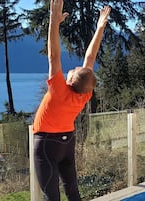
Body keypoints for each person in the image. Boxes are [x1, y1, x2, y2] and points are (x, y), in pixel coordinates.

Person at [32, 0, 111, 200]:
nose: (74, 67)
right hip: (67, 143)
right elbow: (90, 57)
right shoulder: (85, 93)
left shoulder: (59, 90)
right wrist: (100, 27)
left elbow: (54, 56)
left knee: (51, 194)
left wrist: (54, 22)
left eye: (73, 70)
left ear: (69, 79)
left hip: (47, 144)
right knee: (72, 189)